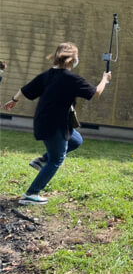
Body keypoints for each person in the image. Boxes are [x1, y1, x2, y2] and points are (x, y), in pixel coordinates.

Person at [3, 42, 111, 205]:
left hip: (46, 121)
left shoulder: (48, 74)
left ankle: (42, 160)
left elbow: (25, 89)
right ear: (72, 60)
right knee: (57, 159)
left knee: (76, 140)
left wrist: (13, 100)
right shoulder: (71, 78)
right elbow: (96, 92)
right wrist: (105, 79)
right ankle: (31, 194)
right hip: (55, 125)